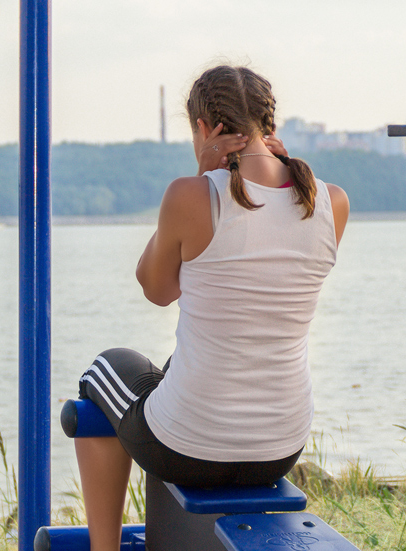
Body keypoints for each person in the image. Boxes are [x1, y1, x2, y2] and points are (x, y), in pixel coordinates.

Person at [74, 65, 350, 551]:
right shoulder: (330, 201)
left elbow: (156, 289)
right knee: (176, 369)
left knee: (103, 372)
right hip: (279, 448)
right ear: (269, 125)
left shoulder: (192, 193)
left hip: (187, 448)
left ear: (203, 129)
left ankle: (104, 548)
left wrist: (203, 178)